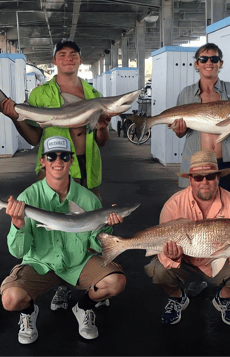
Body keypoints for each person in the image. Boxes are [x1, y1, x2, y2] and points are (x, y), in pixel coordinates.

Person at [1, 39, 111, 310]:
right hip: (57, 167)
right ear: (54, 61)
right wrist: (15, 116)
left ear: (80, 60)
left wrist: (102, 126)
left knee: (87, 228)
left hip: (88, 168)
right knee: (51, 231)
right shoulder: (41, 94)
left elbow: (102, 140)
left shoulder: (93, 93)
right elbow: (34, 137)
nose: (68, 58)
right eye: (62, 54)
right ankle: (58, 285)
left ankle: (85, 280)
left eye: (73, 54)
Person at [1, 136, 126, 344]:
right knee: (10, 299)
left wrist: (105, 227)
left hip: (77, 263)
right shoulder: (28, 198)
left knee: (116, 282)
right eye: (51, 156)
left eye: (64, 156)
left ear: (72, 161)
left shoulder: (88, 199)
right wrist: (18, 224)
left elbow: (96, 245)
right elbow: (17, 252)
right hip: (40, 263)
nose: (57, 161)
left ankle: (84, 307)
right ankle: (29, 311)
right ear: (43, 161)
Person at [145, 151, 230, 326]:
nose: (204, 182)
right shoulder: (173, 205)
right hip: (184, 262)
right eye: (198, 178)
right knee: (158, 271)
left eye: (210, 177)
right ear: (190, 180)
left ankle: (224, 299)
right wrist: (172, 256)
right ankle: (177, 298)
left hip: (218, 263)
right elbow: (163, 243)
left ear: (218, 178)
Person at [171, 43, 230, 211]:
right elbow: (180, 134)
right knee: (196, 211)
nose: (209, 63)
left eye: (214, 59)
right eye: (203, 59)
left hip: (227, 162)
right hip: (197, 163)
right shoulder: (186, 93)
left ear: (220, 63)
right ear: (196, 63)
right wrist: (178, 130)